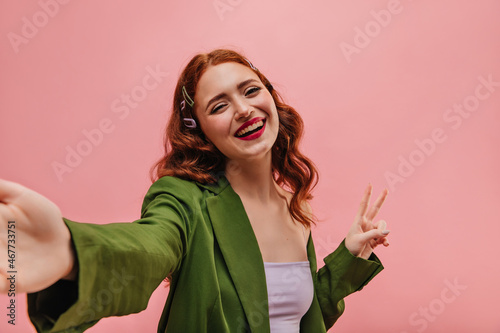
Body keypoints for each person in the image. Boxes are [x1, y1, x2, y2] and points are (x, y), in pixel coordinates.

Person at [0, 49, 390, 333]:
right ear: (199, 129)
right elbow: (149, 246)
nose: (242, 109)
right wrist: (71, 250)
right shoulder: (184, 199)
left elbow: (299, 319)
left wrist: (350, 257)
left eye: (250, 90)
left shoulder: (292, 205)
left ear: (271, 97)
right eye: (219, 106)